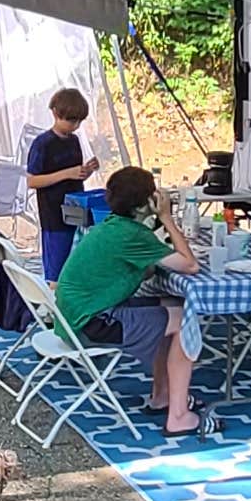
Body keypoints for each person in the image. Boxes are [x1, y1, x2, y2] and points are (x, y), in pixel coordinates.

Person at [53, 165, 208, 438]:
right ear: (145, 203)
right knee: (185, 321)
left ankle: (162, 395)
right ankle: (179, 417)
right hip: (91, 325)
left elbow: (145, 270)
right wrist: (167, 219)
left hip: (71, 319)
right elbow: (190, 265)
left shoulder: (113, 226)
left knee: (173, 305)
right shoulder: (133, 234)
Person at [21, 87, 99, 278]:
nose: (75, 125)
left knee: (76, 264)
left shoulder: (74, 141)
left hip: (76, 210)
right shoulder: (42, 144)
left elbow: (75, 175)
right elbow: (32, 181)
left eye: (79, 121)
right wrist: (66, 173)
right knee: (57, 268)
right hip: (53, 215)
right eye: (71, 120)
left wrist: (86, 171)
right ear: (56, 113)